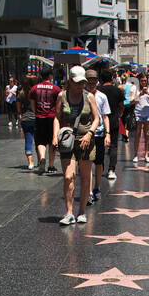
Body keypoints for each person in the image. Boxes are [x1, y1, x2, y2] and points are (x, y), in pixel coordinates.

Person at [54, 65, 99, 225]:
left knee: (85, 177)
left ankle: (82, 212)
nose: (81, 86)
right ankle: (69, 212)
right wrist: (55, 135)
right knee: (68, 176)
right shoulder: (62, 96)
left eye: (83, 83)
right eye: (77, 82)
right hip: (68, 141)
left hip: (86, 141)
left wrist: (89, 133)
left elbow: (96, 119)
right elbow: (57, 117)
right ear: (70, 81)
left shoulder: (89, 97)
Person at [29, 65, 61, 174]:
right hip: (52, 118)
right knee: (52, 141)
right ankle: (51, 166)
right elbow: (59, 104)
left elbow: (32, 105)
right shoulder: (56, 89)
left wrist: (37, 112)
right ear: (50, 76)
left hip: (39, 118)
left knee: (40, 141)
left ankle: (42, 158)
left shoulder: (34, 88)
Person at [86, 69, 111, 202]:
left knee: (99, 162)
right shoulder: (82, 96)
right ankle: (89, 191)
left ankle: (96, 187)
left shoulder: (102, 97)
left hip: (100, 133)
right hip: (86, 133)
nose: (91, 84)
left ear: (97, 81)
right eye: (89, 81)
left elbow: (105, 116)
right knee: (88, 162)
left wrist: (108, 133)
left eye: (93, 81)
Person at [99, 67, 124, 182]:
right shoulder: (117, 90)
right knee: (113, 145)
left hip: (100, 121)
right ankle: (111, 169)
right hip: (113, 119)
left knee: (100, 146)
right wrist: (119, 114)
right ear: (112, 78)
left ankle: (100, 168)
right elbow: (122, 105)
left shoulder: (98, 90)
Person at [132, 74, 149, 162]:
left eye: (145, 81)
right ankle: (135, 154)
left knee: (147, 134)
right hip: (138, 113)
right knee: (137, 134)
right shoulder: (135, 89)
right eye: (142, 81)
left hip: (148, 113)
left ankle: (146, 154)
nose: (144, 82)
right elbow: (131, 101)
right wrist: (140, 95)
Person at [17, 74, 37, 169]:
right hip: (36, 118)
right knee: (39, 140)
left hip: (26, 118)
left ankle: (30, 162)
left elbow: (18, 105)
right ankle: (41, 159)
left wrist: (20, 113)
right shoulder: (36, 92)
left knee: (28, 140)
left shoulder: (21, 93)